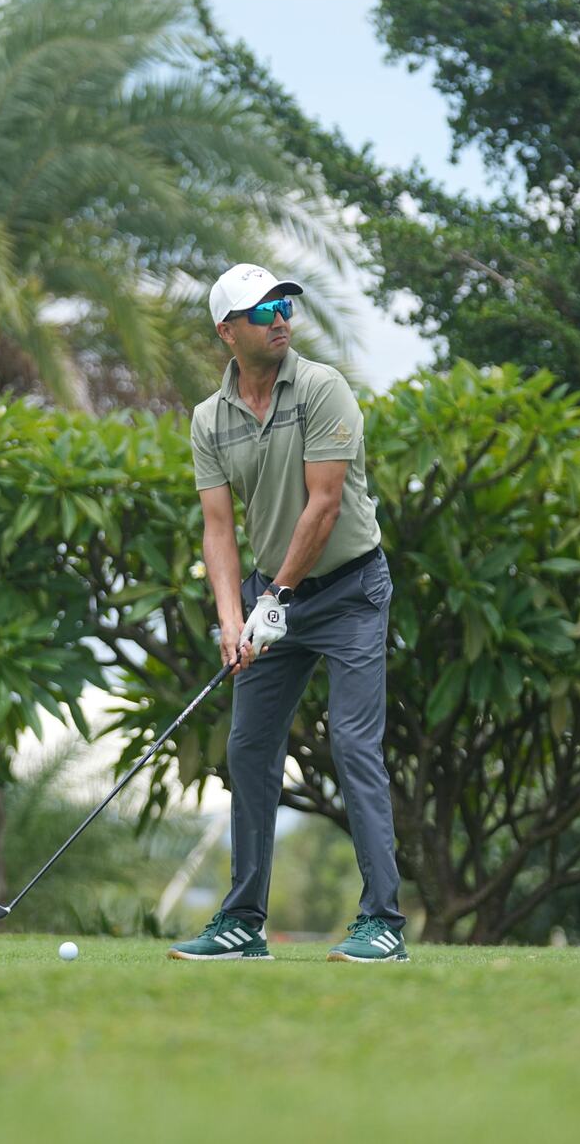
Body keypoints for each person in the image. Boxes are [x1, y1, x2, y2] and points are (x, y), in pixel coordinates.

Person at [166, 263, 408, 963]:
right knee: (248, 749)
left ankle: (383, 923)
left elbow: (324, 505)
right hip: (273, 597)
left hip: (351, 589)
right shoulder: (210, 419)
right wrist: (231, 618)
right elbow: (218, 528)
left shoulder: (324, 388)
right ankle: (242, 922)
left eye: (284, 302)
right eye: (261, 307)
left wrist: (273, 602)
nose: (279, 315)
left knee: (355, 745)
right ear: (227, 331)